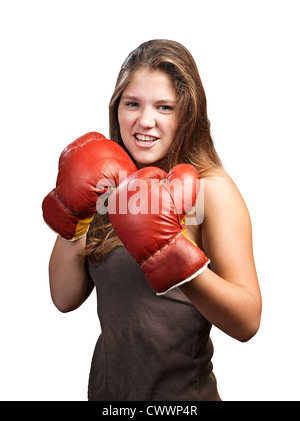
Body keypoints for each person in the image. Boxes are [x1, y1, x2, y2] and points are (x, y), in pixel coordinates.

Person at [42, 39, 262, 401]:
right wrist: (73, 211)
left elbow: (247, 322)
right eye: (132, 104)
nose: (145, 121)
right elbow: (64, 298)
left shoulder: (209, 191)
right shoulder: (105, 181)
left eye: (164, 107)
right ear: (116, 110)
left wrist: (175, 260)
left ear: (186, 114)